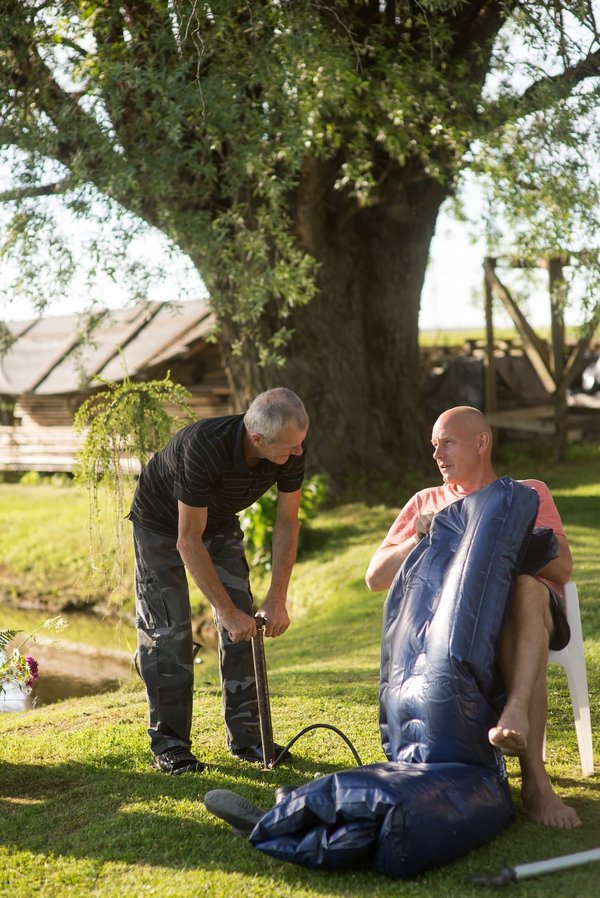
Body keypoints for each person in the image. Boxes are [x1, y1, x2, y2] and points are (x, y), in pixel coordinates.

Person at [365, 405, 581, 830]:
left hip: (531, 617)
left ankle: (535, 780)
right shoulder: (426, 502)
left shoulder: (526, 492)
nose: (437, 454)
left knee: (525, 588)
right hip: (456, 634)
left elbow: (563, 568)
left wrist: (494, 532)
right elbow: (375, 577)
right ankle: (519, 766)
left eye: (447, 441)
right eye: (433, 445)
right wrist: (421, 536)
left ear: (482, 442)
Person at [128, 387, 308, 775]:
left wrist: (277, 598)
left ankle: (247, 738)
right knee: (169, 630)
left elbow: (287, 522)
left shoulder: (290, 445)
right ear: (258, 439)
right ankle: (171, 745)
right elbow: (187, 539)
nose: (297, 454)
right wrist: (222, 610)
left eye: (300, 445)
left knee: (246, 625)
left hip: (220, 521)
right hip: (160, 525)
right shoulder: (203, 448)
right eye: (289, 447)